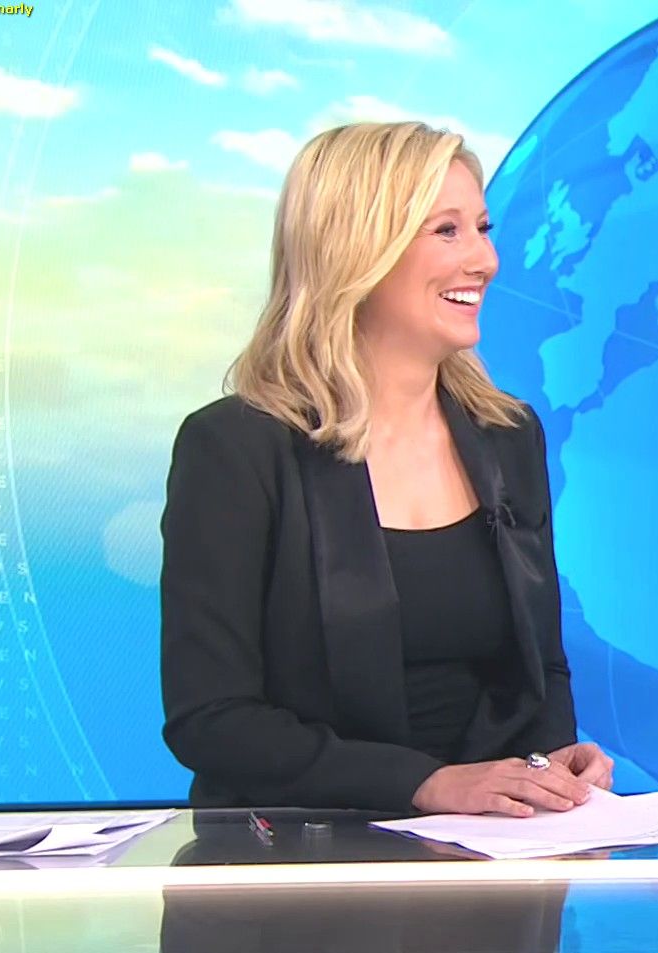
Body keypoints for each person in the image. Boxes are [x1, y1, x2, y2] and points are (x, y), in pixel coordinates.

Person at [160, 121, 613, 815]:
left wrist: (547, 765)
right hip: (301, 855)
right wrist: (424, 785)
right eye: (447, 231)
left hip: (488, 853)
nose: (485, 260)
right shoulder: (235, 449)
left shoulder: (507, 436)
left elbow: (541, 671)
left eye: (482, 228)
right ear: (358, 250)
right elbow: (212, 718)